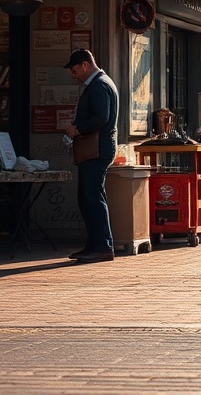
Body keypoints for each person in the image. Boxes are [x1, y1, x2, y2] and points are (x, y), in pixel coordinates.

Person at [63, 49, 119, 262]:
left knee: (92, 197)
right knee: (89, 197)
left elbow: (101, 117)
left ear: (85, 65)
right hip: (96, 149)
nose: (73, 75)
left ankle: (102, 246)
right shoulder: (101, 83)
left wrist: (76, 129)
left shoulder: (99, 85)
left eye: (74, 70)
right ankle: (94, 245)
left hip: (96, 150)